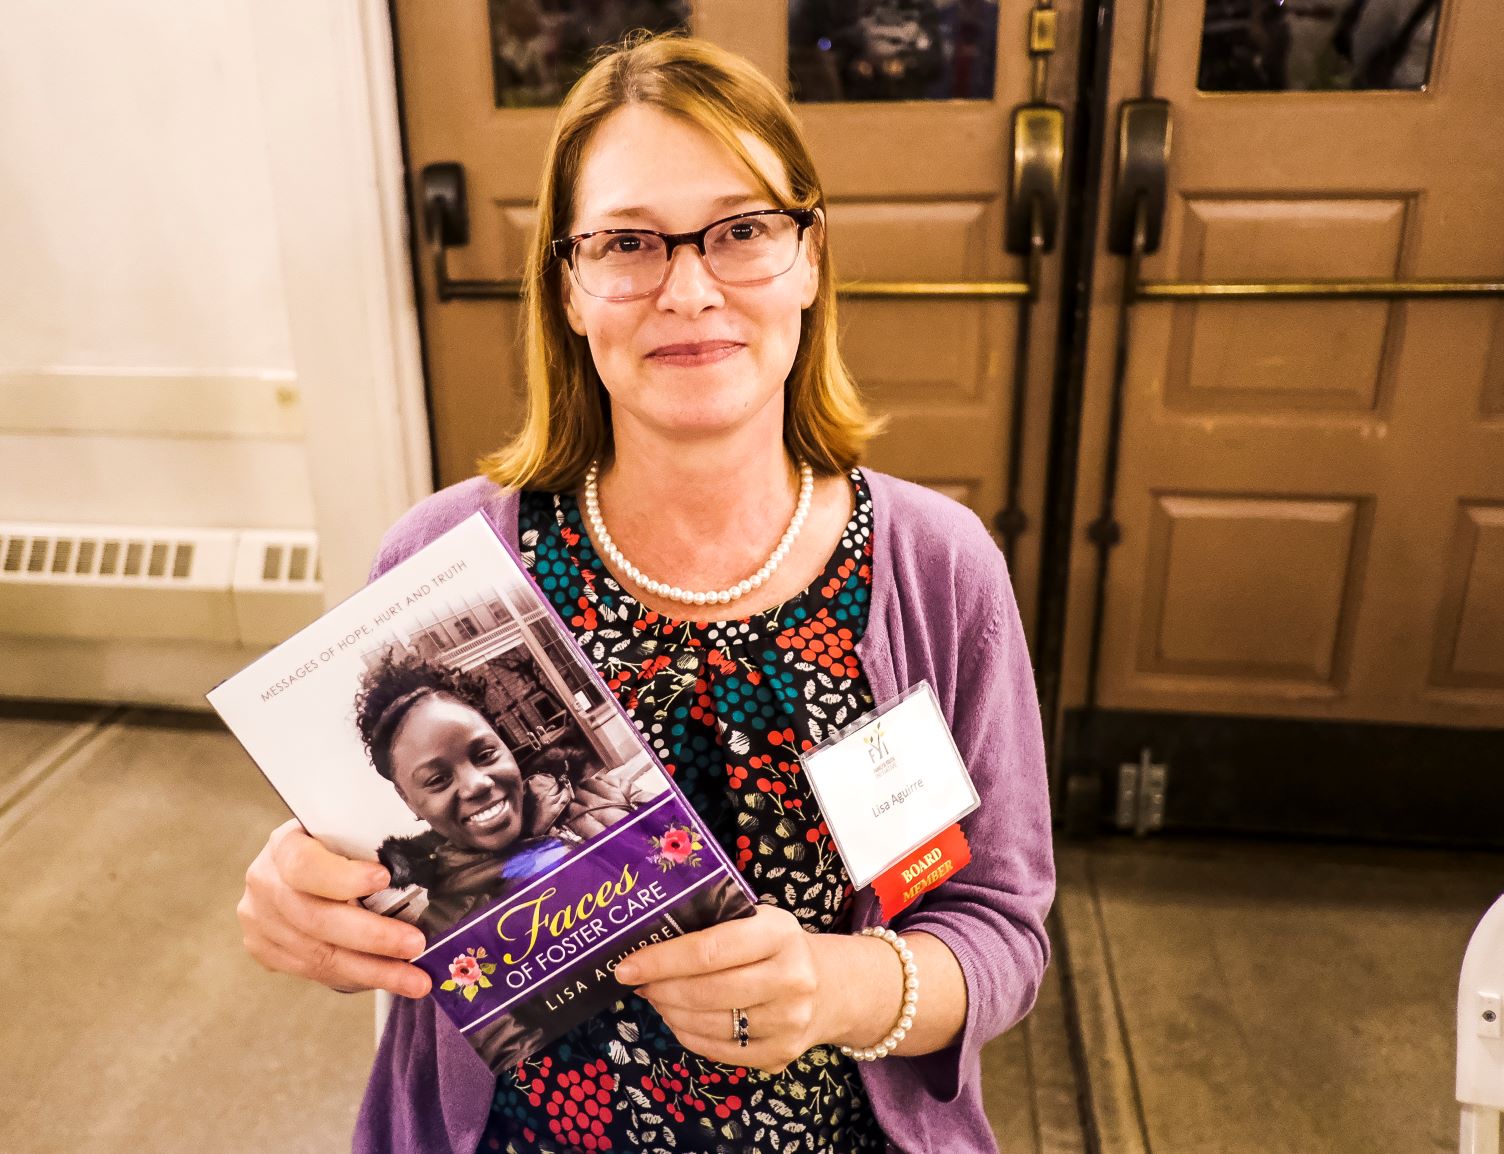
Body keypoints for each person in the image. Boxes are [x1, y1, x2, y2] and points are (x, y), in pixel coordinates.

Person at [236, 33, 1054, 1154]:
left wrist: (840, 982)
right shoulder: (443, 559)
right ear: (569, 289)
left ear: (809, 258)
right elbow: (386, 886)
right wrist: (311, 901)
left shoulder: (936, 564)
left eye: (744, 229)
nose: (688, 287)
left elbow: (1002, 929)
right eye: (626, 242)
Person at [354, 648, 655, 937]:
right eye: (438, 779)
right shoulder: (446, 936)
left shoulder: (613, 797)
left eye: (485, 754)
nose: (477, 784)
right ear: (409, 801)